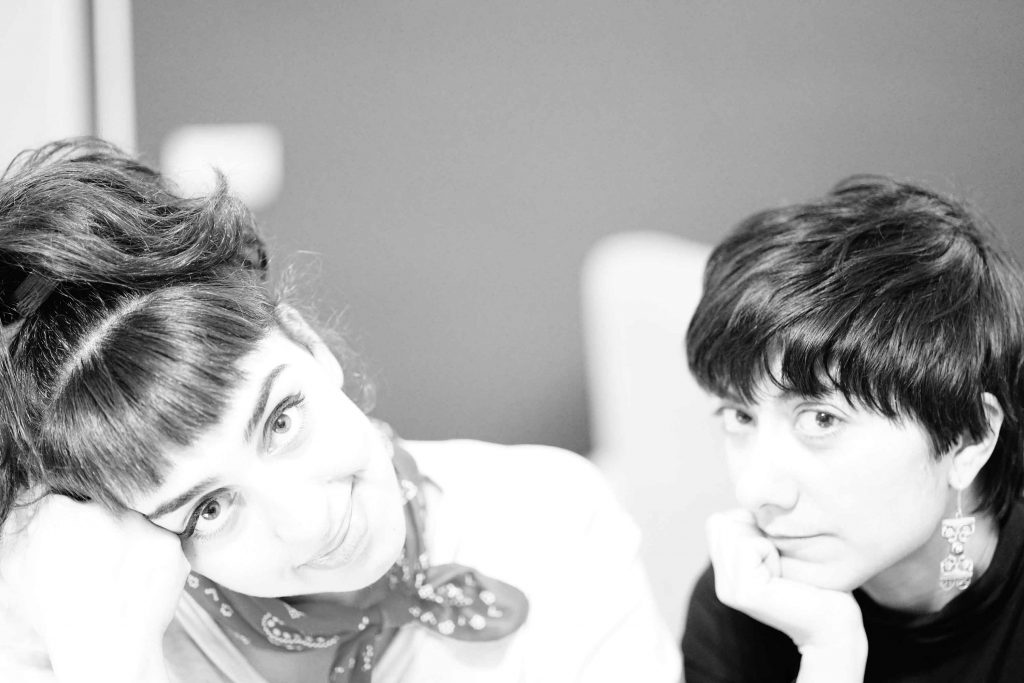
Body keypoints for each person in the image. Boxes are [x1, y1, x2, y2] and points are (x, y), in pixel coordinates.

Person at [0, 138, 680, 683]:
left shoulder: (553, 519)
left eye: (281, 422)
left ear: (309, 344)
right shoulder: (69, 637)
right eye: (208, 509)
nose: (307, 523)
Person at [680, 175, 1024, 682]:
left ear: (968, 438)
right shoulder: (743, 603)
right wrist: (828, 651)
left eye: (822, 418)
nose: (755, 492)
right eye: (740, 416)